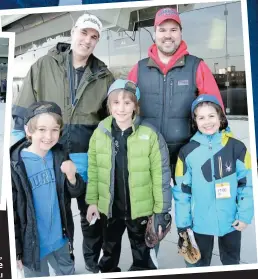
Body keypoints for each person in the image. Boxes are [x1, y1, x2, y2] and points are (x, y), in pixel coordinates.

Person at [11, 14, 114, 273]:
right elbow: (22, 113)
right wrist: (16, 154)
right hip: (49, 153)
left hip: (85, 156)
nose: (87, 40)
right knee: (51, 213)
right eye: (84, 33)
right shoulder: (44, 65)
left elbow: (110, 123)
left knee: (92, 216)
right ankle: (55, 257)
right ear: (73, 32)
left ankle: (92, 265)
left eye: (94, 37)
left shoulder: (103, 76)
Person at [128, 7, 224, 180]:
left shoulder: (197, 66)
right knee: (155, 206)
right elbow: (125, 109)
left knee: (191, 203)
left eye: (173, 30)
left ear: (180, 33)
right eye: (162, 30)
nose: (168, 35)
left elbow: (217, 109)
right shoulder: (139, 69)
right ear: (155, 33)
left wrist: (220, 145)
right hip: (149, 154)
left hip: (189, 153)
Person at [86, 79, 172, 272]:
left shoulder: (150, 134)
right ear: (109, 105)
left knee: (143, 256)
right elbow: (94, 171)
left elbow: (161, 175)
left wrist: (161, 211)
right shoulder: (100, 133)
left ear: (135, 105)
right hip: (110, 210)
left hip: (141, 211)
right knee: (108, 253)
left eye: (127, 103)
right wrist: (92, 201)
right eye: (116, 102)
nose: (121, 108)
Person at [173, 94, 254, 266]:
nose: (207, 121)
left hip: (231, 220)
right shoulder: (186, 152)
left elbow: (247, 183)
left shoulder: (236, 147)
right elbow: (182, 191)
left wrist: (245, 214)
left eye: (211, 116)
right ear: (195, 121)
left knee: (231, 262)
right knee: (198, 265)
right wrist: (183, 224)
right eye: (201, 117)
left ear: (220, 117)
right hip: (199, 222)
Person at [10, 101, 85, 277]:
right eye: (41, 129)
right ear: (29, 130)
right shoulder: (15, 166)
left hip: (61, 239)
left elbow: (76, 191)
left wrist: (72, 177)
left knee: (67, 272)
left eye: (54, 130)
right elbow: (12, 214)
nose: (48, 136)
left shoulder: (59, 155)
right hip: (33, 246)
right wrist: (16, 250)